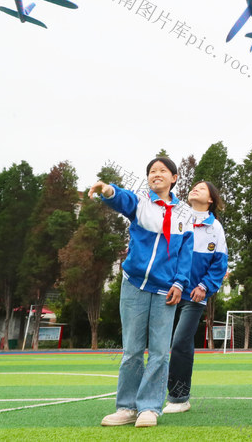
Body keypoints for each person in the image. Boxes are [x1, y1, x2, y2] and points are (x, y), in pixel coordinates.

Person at [90, 157, 194, 428]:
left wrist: (180, 283)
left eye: (162, 171)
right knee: (133, 351)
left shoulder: (185, 214)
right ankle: (126, 407)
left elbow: (186, 254)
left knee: (159, 352)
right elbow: (121, 199)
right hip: (134, 285)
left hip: (166, 291)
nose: (156, 175)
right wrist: (107, 189)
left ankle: (149, 408)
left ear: (174, 178)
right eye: (151, 171)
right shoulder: (140, 202)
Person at [163, 181, 229, 414]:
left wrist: (205, 286)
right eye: (194, 186)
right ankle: (149, 396)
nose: (195, 189)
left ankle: (179, 398)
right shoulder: (177, 215)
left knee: (181, 341)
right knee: (160, 343)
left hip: (194, 295)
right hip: (168, 289)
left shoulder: (216, 228)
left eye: (202, 188)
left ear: (211, 199)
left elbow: (220, 264)